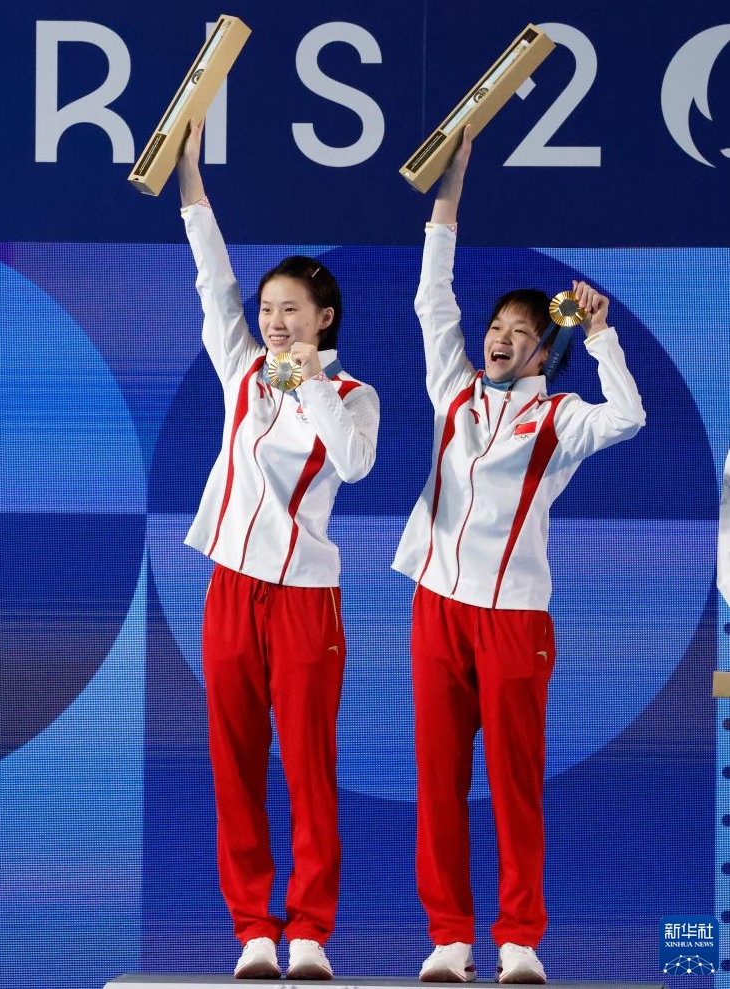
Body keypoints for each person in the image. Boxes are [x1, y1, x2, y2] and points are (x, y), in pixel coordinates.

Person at [392, 126, 646, 984]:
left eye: (516, 330)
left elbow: (630, 416)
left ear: (544, 347)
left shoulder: (563, 417)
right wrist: (450, 192)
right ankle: (449, 940)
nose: (497, 336)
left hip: (514, 623)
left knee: (513, 785)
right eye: (494, 324)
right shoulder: (451, 388)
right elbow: (433, 295)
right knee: (437, 781)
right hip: (437, 610)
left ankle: (518, 941)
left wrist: (602, 335)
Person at [176, 120, 379, 981]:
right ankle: (253, 931)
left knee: (307, 763)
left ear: (323, 317)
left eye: (289, 309)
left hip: (304, 598)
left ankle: (308, 934)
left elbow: (358, 464)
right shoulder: (238, 368)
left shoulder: (351, 392)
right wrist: (189, 176)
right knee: (234, 760)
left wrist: (307, 379)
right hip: (229, 587)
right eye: (267, 310)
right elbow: (211, 274)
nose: (271, 320)